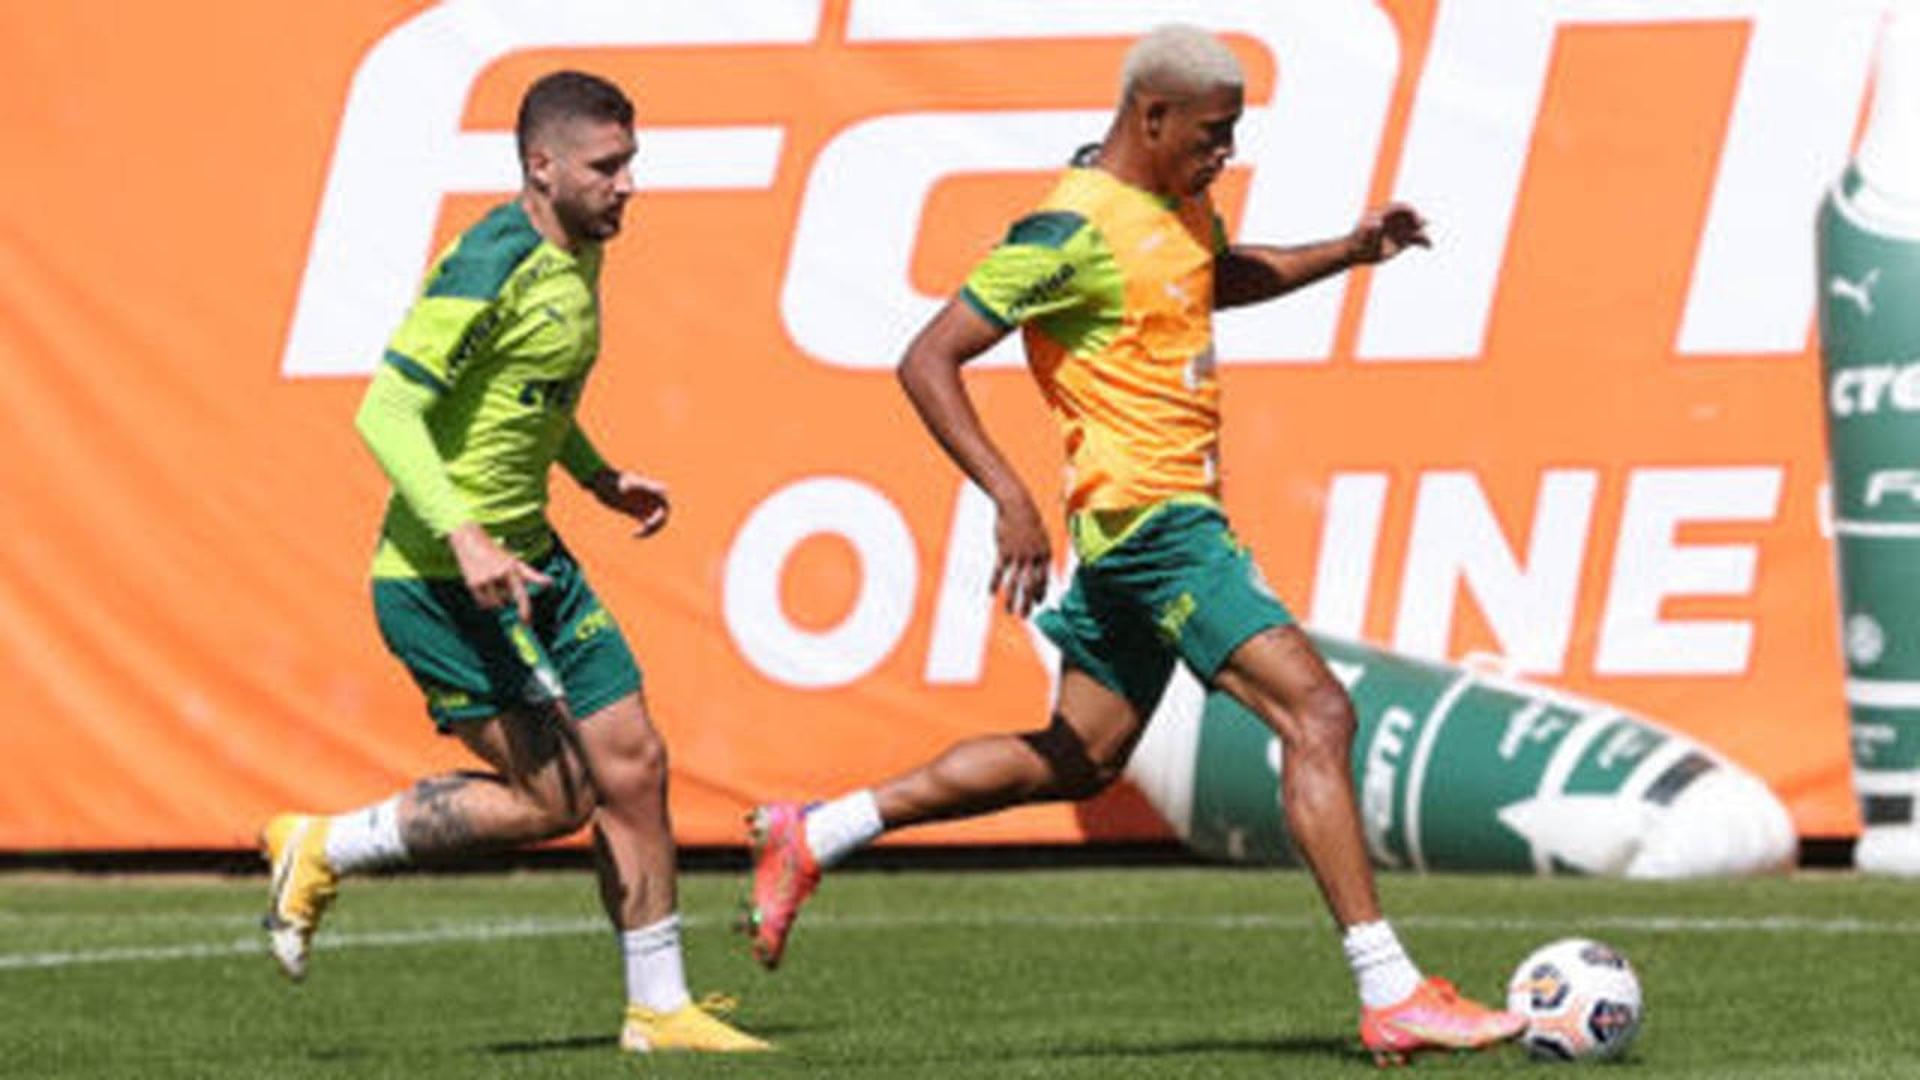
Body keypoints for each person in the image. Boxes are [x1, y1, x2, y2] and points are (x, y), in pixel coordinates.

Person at [738, 25, 1522, 1065]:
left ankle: (817, 831)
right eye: (1212, 133)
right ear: (1150, 117)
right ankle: (1391, 990)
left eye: (1232, 134)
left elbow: (1215, 276)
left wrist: (1350, 247)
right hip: (1157, 528)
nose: (1225, 152)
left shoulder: (1174, 206)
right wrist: (1009, 494)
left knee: (1079, 759)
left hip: (1136, 536)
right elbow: (929, 357)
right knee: (1319, 711)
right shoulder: (1067, 230)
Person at [260, 70, 766, 1055]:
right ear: (543, 166)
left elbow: (530, 392)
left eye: (632, 165)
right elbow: (386, 411)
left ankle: (659, 1010)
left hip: (533, 561)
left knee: (637, 762)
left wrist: (596, 475)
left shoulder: (579, 252)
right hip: (442, 583)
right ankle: (321, 846)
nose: (627, 186)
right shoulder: (494, 259)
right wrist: (464, 534)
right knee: (561, 798)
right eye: (607, 166)